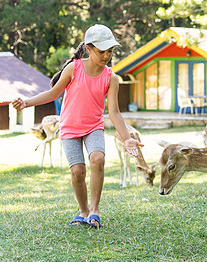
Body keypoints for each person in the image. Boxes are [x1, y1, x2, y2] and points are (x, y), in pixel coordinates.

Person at [12, 24, 142, 228]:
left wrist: (127, 138)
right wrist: (27, 102)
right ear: (88, 48)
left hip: (93, 127)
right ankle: (83, 211)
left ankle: (95, 211)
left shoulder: (112, 78)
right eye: (102, 51)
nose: (107, 55)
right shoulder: (74, 68)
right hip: (70, 127)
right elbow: (53, 93)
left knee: (97, 159)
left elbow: (114, 112)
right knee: (78, 171)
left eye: (110, 51)